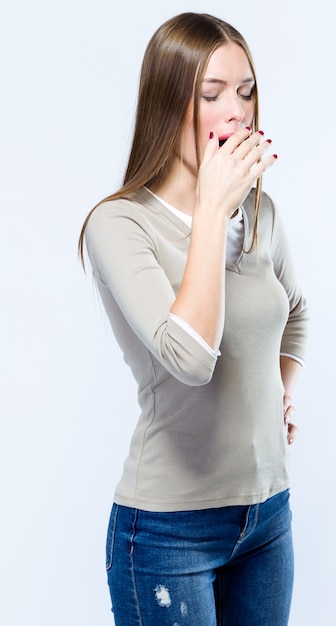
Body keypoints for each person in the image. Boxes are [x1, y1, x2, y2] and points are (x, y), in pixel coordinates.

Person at [79, 12, 308, 626]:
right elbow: (190, 359)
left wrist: (282, 391)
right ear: (167, 105)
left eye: (246, 90)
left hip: (268, 518)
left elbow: (298, 311)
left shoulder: (262, 213)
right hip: (167, 534)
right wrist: (209, 211)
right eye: (212, 95)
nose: (237, 110)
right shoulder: (120, 224)